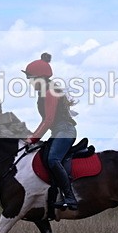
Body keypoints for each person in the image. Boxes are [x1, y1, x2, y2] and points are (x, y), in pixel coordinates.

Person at [24, 53, 79, 210]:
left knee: (53, 159)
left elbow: (48, 120)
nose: (30, 82)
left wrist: (32, 139)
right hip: (58, 131)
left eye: (32, 79)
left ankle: (70, 197)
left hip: (65, 130)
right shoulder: (45, 92)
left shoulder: (50, 92)